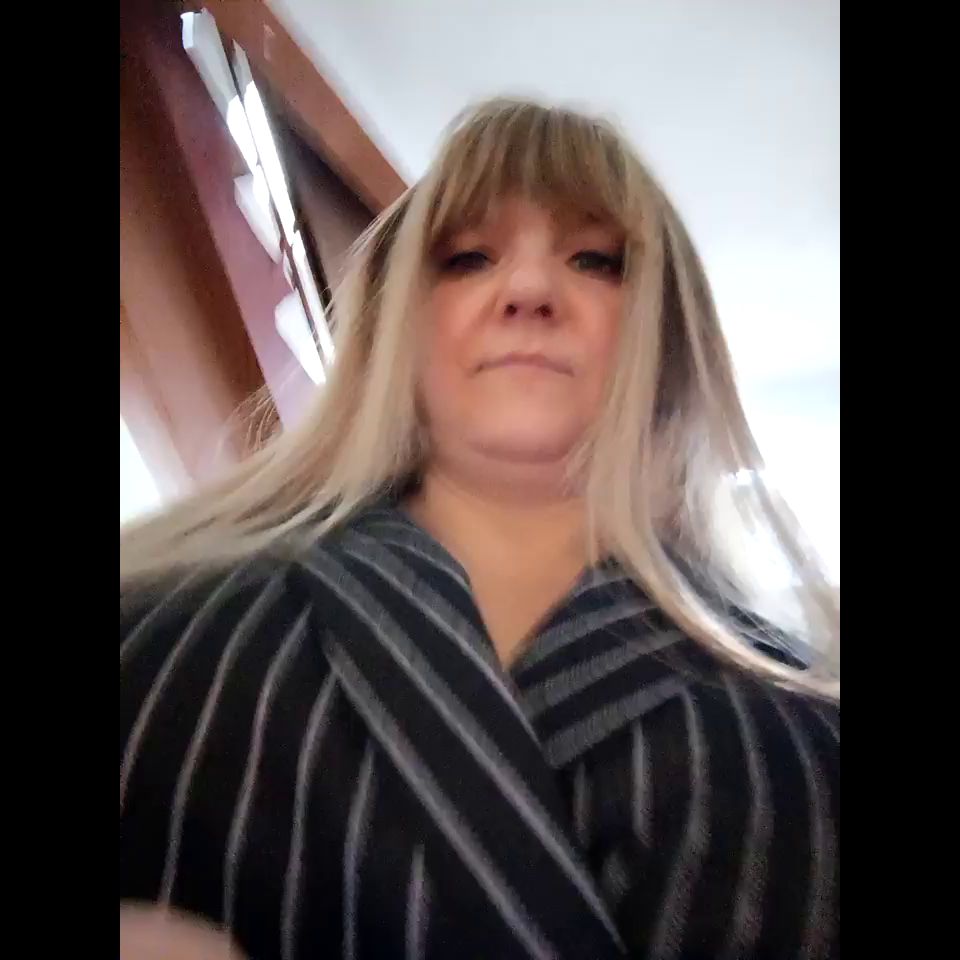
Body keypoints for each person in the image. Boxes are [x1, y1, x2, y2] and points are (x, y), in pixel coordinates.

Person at [120, 98, 839, 960]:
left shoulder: (804, 726)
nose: (529, 292)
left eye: (595, 260)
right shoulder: (152, 635)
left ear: (668, 338)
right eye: (467, 258)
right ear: (396, 331)